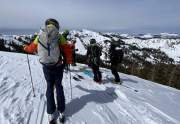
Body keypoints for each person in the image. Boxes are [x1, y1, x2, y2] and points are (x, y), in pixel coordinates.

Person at [24, 18, 73, 124]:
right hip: (58, 66)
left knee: (49, 87)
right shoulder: (59, 36)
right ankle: (61, 111)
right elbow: (67, 49)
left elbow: (32, 48)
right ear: (56, 25)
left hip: (46, 67)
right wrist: (68, 61)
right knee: (59, 86)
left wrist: (26, 48)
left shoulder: (40, 35)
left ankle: (50, 113)